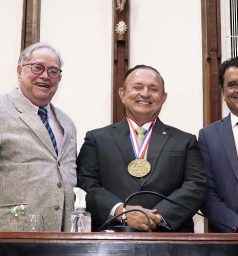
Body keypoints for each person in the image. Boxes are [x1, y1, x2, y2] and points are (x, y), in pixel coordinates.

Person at [77, 64, 206, 232]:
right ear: (122, 94)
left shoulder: (185, 141)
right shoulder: (97, 139)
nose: (145, 93)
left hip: (171, 239)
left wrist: (158, 216)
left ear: (163, 97)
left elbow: (196, 185)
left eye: (153, 89)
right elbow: (86, 183)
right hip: (111, 237)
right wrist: (121, 212)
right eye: (137, 87)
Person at [0, 42, 77, 231]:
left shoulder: (67, 123)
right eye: (38, 67)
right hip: (12, 235)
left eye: (53, 71)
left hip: (62, 238)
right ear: (19, 70)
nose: (45, 76)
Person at [198, 56, 238, 233]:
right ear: (223, 92)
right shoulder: (208, 136)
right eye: (232, 85)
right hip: (228, 239)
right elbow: (206, 193)